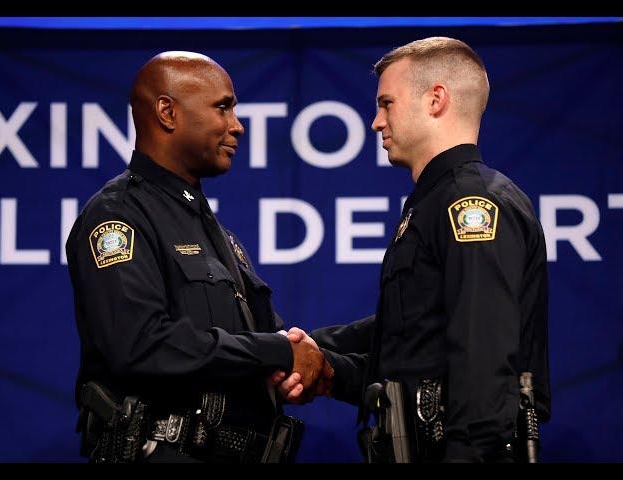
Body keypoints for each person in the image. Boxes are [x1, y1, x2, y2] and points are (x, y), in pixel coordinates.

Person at [276, 37, 550, 463]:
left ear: (435, 99)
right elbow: (412, 338)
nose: (376, 122)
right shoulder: (433, 202)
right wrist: (321, 360)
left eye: (387, 103)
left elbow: (482, 361)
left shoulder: (472, 204)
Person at [65, 51, 333, 463]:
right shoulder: (117, 215)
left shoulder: (219, 236)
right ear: (168, 112)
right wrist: (279, 354)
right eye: (222, 107)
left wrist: (304, 359)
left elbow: (272, 341)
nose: (237, 125)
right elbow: (142, 344)